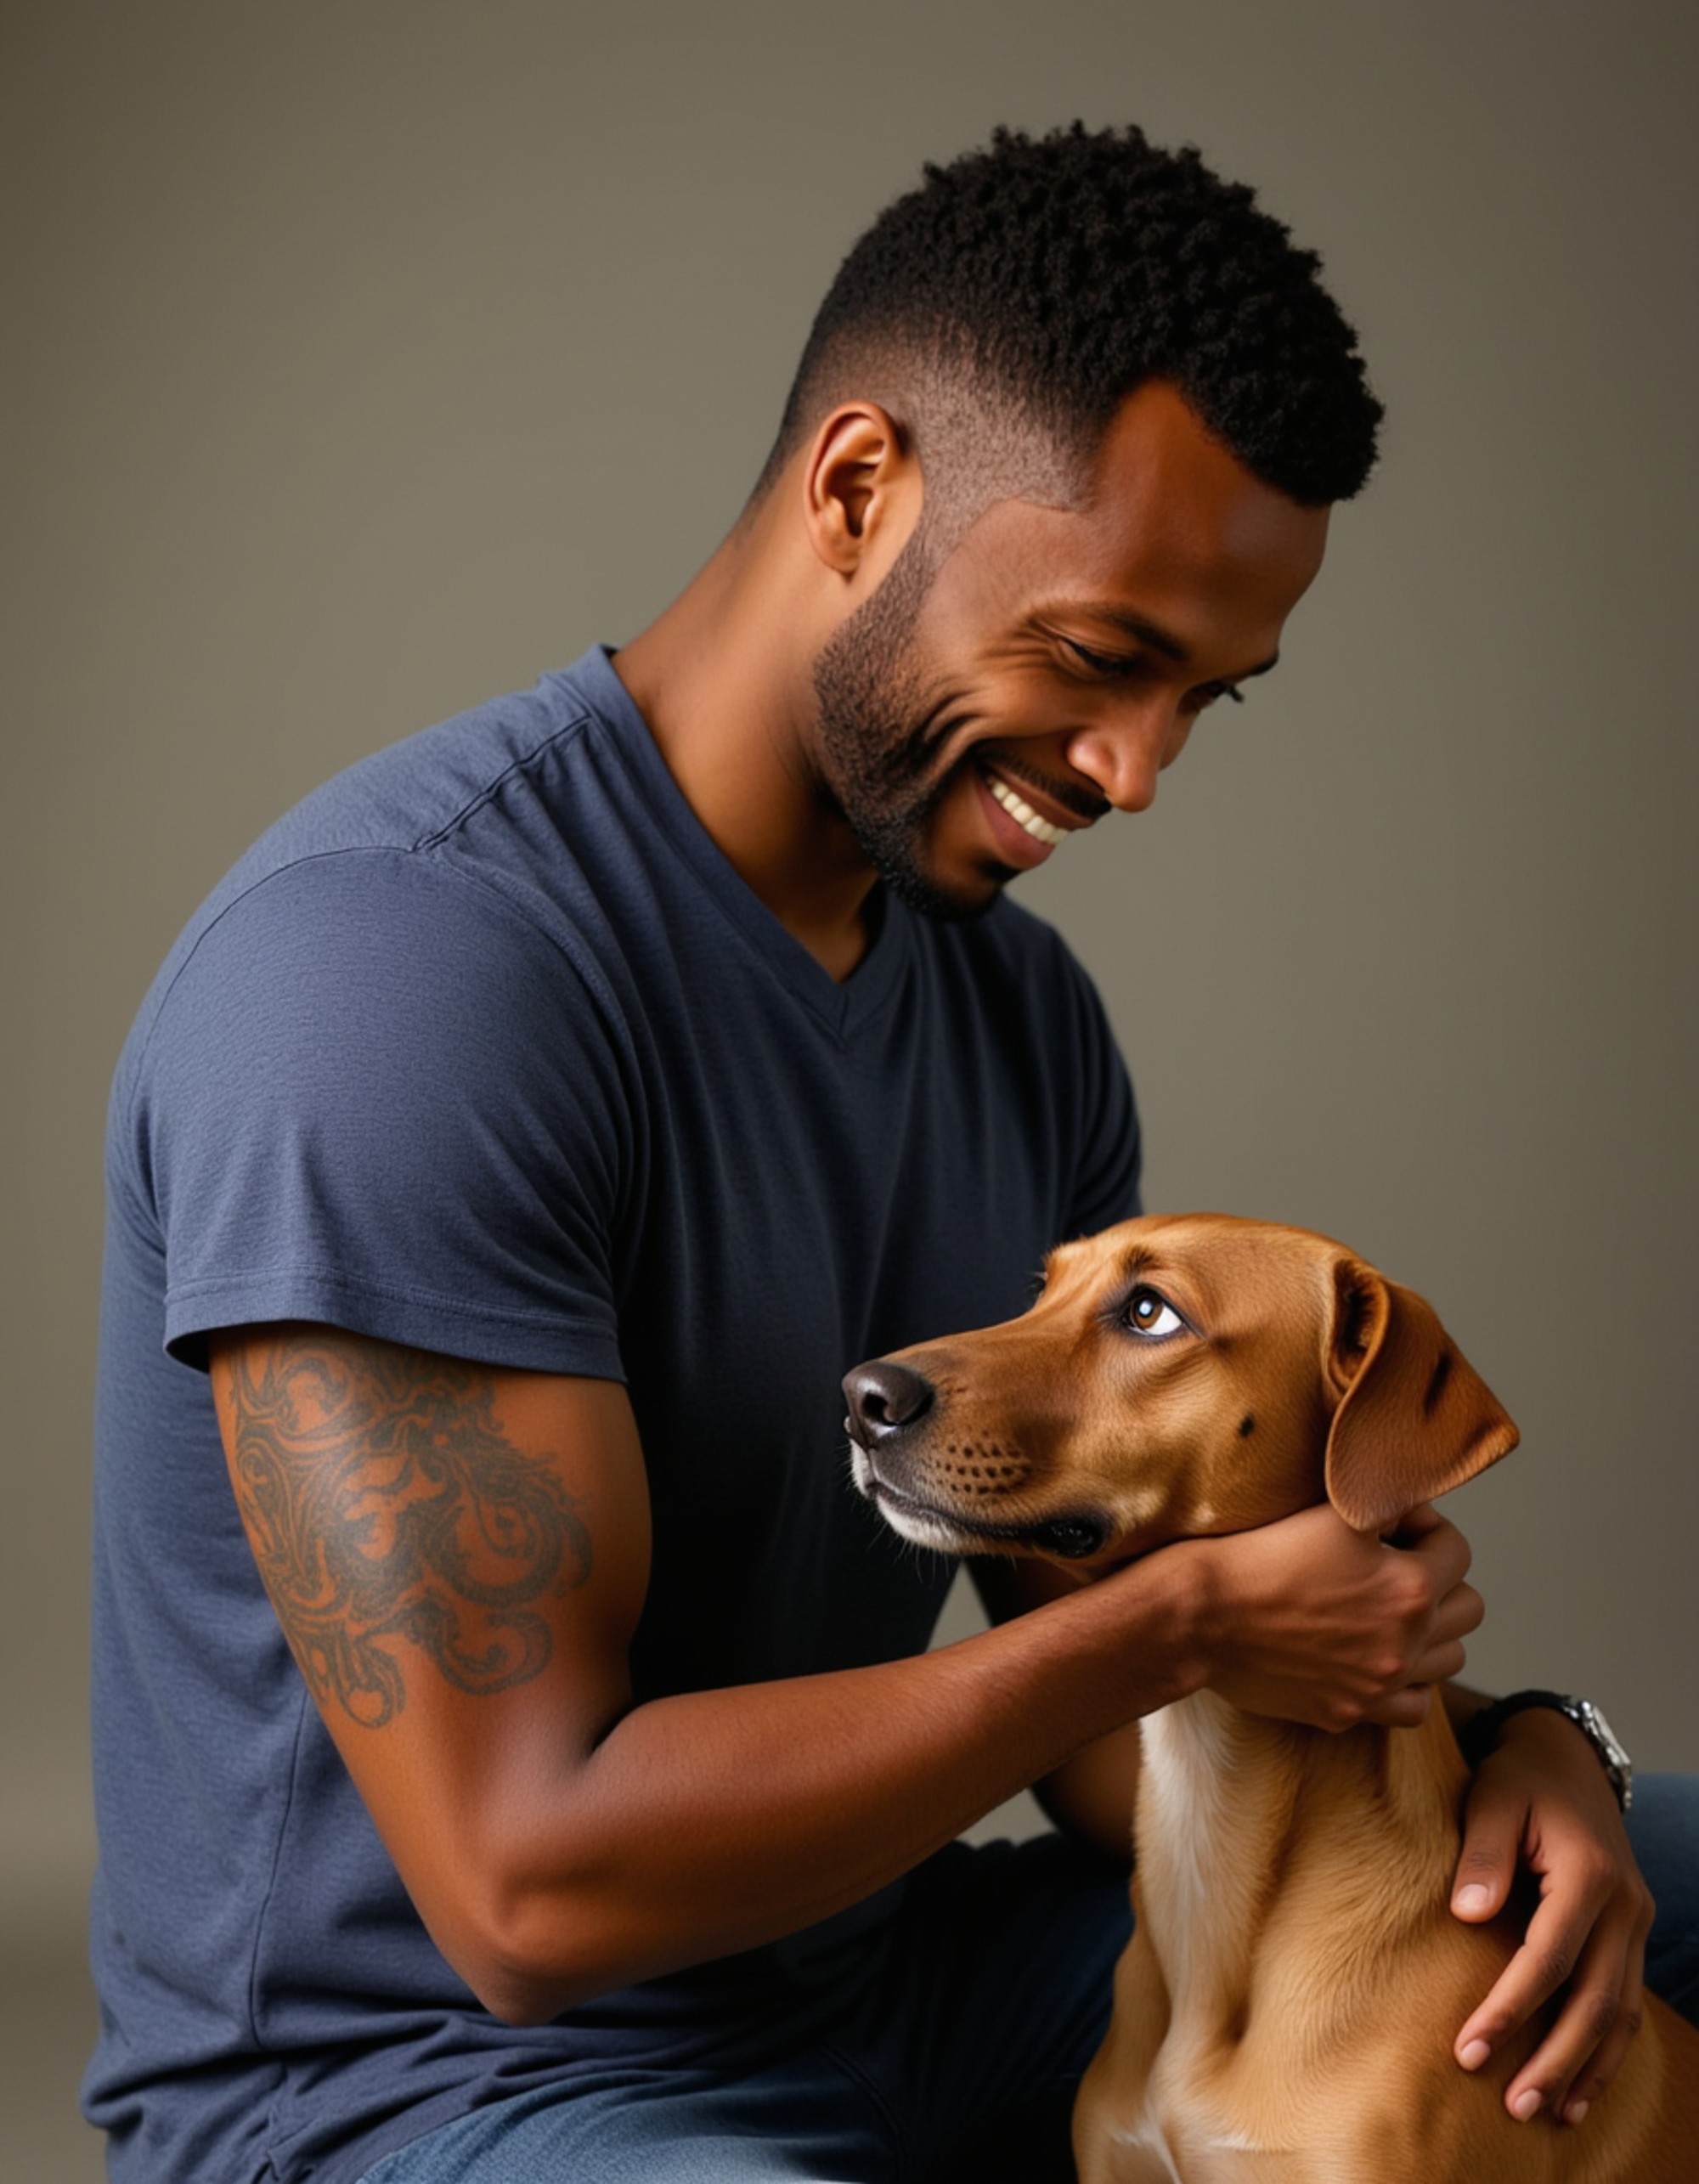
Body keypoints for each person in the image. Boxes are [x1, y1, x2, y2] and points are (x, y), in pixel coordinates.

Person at [84, 124, 1694, 2184]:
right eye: (1102, 658)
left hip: (880, 1979)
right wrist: (1188, 1625)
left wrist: (1530, 1750)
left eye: (1205, 699)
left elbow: (1107, 1758)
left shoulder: (1020, 1015)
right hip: (434, 2086)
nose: (1135, 770)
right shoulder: (391, 979)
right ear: (858, 490)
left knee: (1615, 1889)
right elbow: (531, 1889)